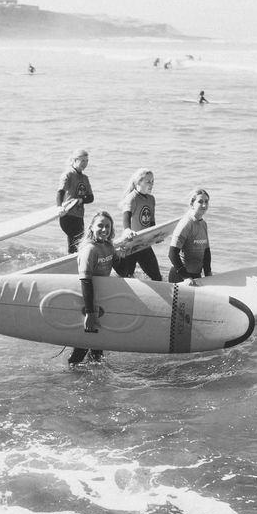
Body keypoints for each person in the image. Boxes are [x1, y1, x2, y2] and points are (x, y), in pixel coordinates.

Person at [69, 211, 117, 365]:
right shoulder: (89, 249)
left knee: (96, 349)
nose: (104, 230)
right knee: (81, 349)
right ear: (91, 227)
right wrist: (89, 313)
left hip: (100, 302)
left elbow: (123, 270)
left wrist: (124, 253)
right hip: (87, 302)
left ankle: (89, 377)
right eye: (100, 226)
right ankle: (71, 373)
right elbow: (86, 281)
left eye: (108, 226)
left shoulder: (108, 247)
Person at [113, 169, 161, 281]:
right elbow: (126, 215)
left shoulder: (151, 199)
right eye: (148, 182)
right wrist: (127, 230)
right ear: (138, 182)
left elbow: (152, 222)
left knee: (157, 277)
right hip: (131, 243)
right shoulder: (132, 197)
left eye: (152, 181)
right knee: (127, 276)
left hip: (144, 244)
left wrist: (156, 236)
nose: (151, 184)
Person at [168, 188, 212, 284]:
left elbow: (206, 253)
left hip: (196, 276)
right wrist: (186, 277)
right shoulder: (186, 223)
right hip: (180, 277)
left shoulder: (203, 224)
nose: (204, 205)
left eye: (206, 201)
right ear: (192, 204)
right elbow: (172, 253)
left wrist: (208, 273)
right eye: (200, 201)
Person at [56, 149, 94, 253]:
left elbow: (91, 198)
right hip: (67, 214)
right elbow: (60, 192)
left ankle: (70, 258)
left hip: (79, 216)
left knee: (78, 243)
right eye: (82, 160)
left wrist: (81, 200)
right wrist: (59, 207)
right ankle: (71, 259)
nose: (85, 163)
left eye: (87, 161)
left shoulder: (85, 178)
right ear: (75, 160)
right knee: (75, 241)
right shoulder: (68, 174)